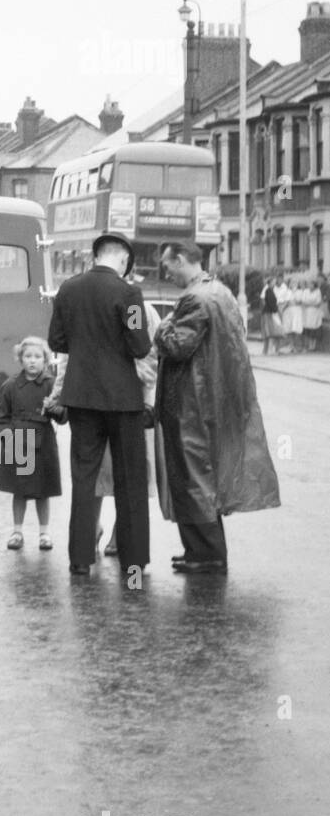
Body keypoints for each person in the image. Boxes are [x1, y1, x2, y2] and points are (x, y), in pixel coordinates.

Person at [154, 241, 281, 573]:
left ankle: (206, 554)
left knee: (192, 479)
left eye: (168, 266)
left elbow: (177, 346)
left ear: (182, 260)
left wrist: (160, 328)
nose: (166, 273)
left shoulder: (194, 298)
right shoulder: (219, 291)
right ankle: (200, 550)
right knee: (201, 477)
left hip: (190, 403)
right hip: (210, 400)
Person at [46, 232, 151, 578]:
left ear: (96, 255)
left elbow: (56, 340)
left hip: (81, 398)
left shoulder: (68, 290)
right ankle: (133, 563)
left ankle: (80, 560)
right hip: (123, 399)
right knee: (129, 481)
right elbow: (139, 345)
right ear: (123, 260)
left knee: (84, 477)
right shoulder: (129, 294)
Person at [0, 336, 64, 551]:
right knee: (20, 489)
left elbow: (64, 416)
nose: (32, 361)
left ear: (45, 360)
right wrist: (8, 435)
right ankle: (17, 531)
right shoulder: (10, 386)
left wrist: (53, 409)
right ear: (20, 359)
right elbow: (1, 418)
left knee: (43, 490)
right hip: (18, 441)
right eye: (28, 357)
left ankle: (44, 533)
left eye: (37, 357)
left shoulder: (52, 385)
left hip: (43, 440)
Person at [260, 277, 283, 355]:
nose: (274, 283)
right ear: (270, 283)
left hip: (269, 312)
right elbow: (271, 303)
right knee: (269, 332)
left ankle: (267, 350)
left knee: (269, 332)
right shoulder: (268, 290)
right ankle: (268, 350)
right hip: (269, 313)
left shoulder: (271, 290)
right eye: (273, 282)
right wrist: (276, 311)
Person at [274, 272, 296, 352]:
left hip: (283, 308)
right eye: (277, 278)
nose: (278, 280)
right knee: (277, 326)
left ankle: (291, 345)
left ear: (282, 279)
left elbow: (286, 301)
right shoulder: (275, 287)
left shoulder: (285, 289)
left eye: (280, 279)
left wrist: (281, 309)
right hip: (276, 307)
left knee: (287, 327)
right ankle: (277, 346)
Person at [304, 276, 325, 352]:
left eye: (312, 284)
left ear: (314, 285)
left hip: (315, 312)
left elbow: (318, 302)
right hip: (308, 312)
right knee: (308, 329)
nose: (310, 286)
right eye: (309, 284)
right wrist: (311, 303)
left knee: (315, 329)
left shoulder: (318, 291)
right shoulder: (306, 291)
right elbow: (304, 301)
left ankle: (314, 346)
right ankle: (309, 345)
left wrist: (310, 303)